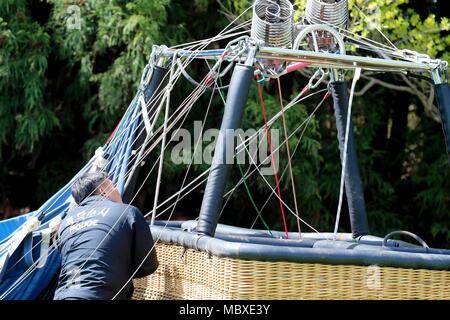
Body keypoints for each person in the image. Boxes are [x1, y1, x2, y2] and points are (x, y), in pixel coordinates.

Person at [54, 172, 158, 300]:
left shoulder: (65, 222)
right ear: (103, 191)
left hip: (63, 295)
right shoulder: (128, 212)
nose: (118, 191)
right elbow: (148, 265)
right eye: (114, 186)